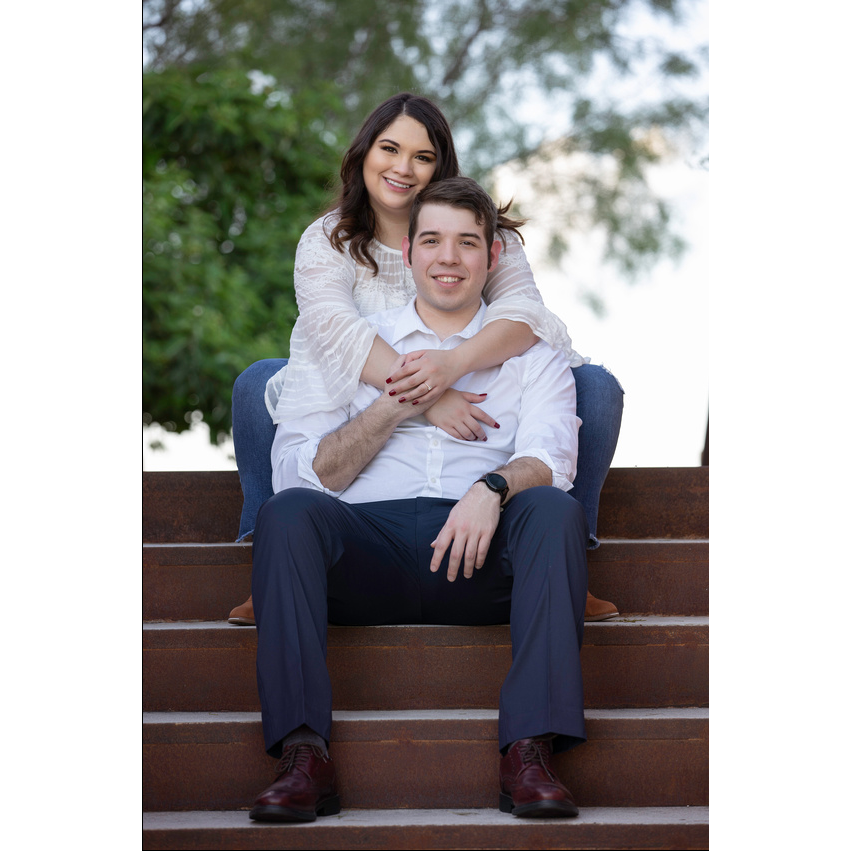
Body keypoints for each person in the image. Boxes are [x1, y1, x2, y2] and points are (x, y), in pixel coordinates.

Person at [249, 178, 588, 822]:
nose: (448, 258)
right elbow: (301, 471)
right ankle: (302, 754)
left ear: (493, 256)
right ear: (407, 254)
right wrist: (398, 401)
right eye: (431, 241)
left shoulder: (529, 349)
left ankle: (530, 752)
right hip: (365, 552)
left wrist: (492, 488)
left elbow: (552, 459)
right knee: (286, 513)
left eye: (467, 243)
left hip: (479, 551)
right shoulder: (353, 346)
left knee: (553, 510)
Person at [229, 92, 623, 626]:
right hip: (358, 380)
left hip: (463, 370)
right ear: (364, 153)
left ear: (441, 167)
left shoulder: (483, 233)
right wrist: (429, 398)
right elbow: (332, 331)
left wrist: (449, 367)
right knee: (260, 382)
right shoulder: (329, 237)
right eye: (390, 149)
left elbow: (525, 319)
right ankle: (270, 559)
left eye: (423, 157)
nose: (403, 168)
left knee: (594, 386)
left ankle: (570, 559)